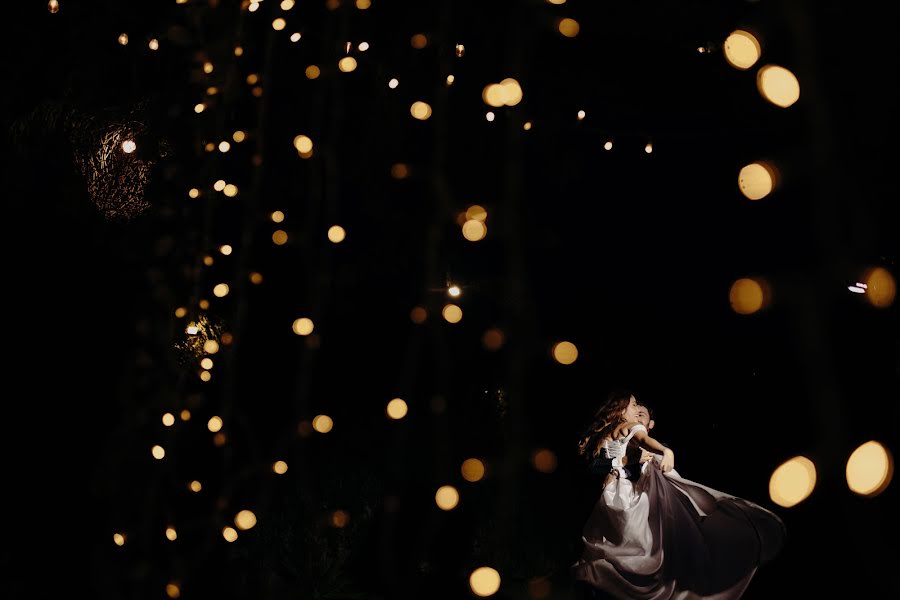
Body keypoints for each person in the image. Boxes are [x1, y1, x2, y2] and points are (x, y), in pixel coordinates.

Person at [573, 389, 786, 599]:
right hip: (618, 492)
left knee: (636, 542)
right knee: (627, 543)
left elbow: (647, 445)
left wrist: (662, 452)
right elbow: (602, 464)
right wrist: (624, 464)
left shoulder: (631, 431)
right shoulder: (623, 432)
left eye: (640, 407)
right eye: (634, 404)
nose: (638, 409)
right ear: (619, 410)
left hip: (620, 494)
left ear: (651, 424)